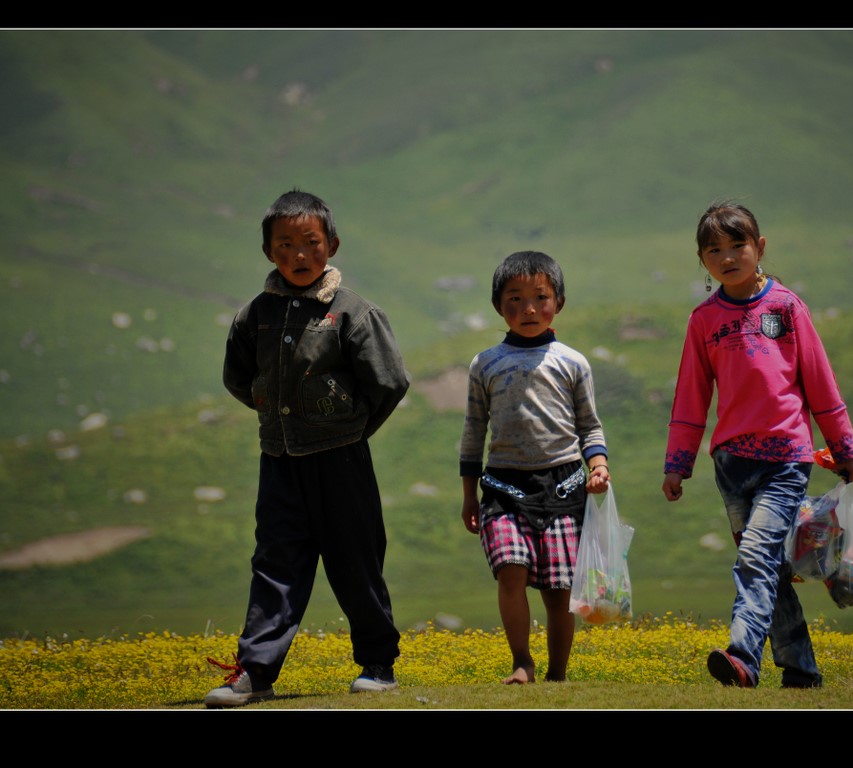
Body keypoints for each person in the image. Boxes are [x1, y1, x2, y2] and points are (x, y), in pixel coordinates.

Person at [205, 189, 410, 707]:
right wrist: (280, 419)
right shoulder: (255, 316)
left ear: (332, 245)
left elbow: (388, 382)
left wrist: (348, 427)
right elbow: (238, 378)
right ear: (269, 252)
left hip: (342, 460)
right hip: (278, 461)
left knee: (355, 560)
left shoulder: (353, 314)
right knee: (275, 562)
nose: (300, 255)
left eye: (311, 243)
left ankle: (377, 664)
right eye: (286, 244)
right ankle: (255, 672)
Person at [661, 201, 853, 689]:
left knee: (755, 554)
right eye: (715, 250)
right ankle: (800, 672)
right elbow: (691, 396)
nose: (728, 257)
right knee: (769, 569)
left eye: (738, 245)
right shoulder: (704, 321)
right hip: (731, 463)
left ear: (760, 247)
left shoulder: (787, 308)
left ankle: (743, 656)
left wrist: (845, 446)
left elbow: (820, 382)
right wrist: (678, 462)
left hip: (785, 458)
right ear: (702, 260)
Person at [460, 250, 610, 684]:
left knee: (559, 591)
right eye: (514, 299)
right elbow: (473, 433)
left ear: (558, 302)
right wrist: (468, 495)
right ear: (497, 306)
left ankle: (558, 675)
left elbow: (590, 426)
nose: (528, 309)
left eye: (539, 298)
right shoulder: (484, 363)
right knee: (510, 569)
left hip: (564, 487)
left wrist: (597, 465)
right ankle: (521, 661)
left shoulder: (573, 362)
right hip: (503, 486)